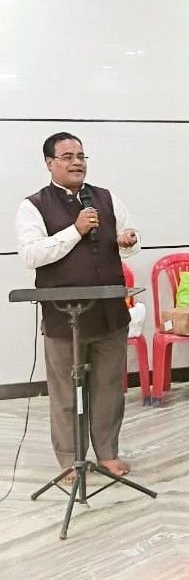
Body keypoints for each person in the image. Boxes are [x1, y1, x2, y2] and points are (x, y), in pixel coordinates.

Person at [15, 132, 141, 480]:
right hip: (64, 317)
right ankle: (71, 459)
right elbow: (31, 254)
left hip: (109, 312)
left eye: (81, 156)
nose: (76, 163)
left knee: (109, 390)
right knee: (67, 393)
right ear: (49, 163)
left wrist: (127, 240)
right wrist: (75, 230)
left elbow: (129, 241)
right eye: (67, 156)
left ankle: (108, 454)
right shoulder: (33, 206)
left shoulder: (106, 198)